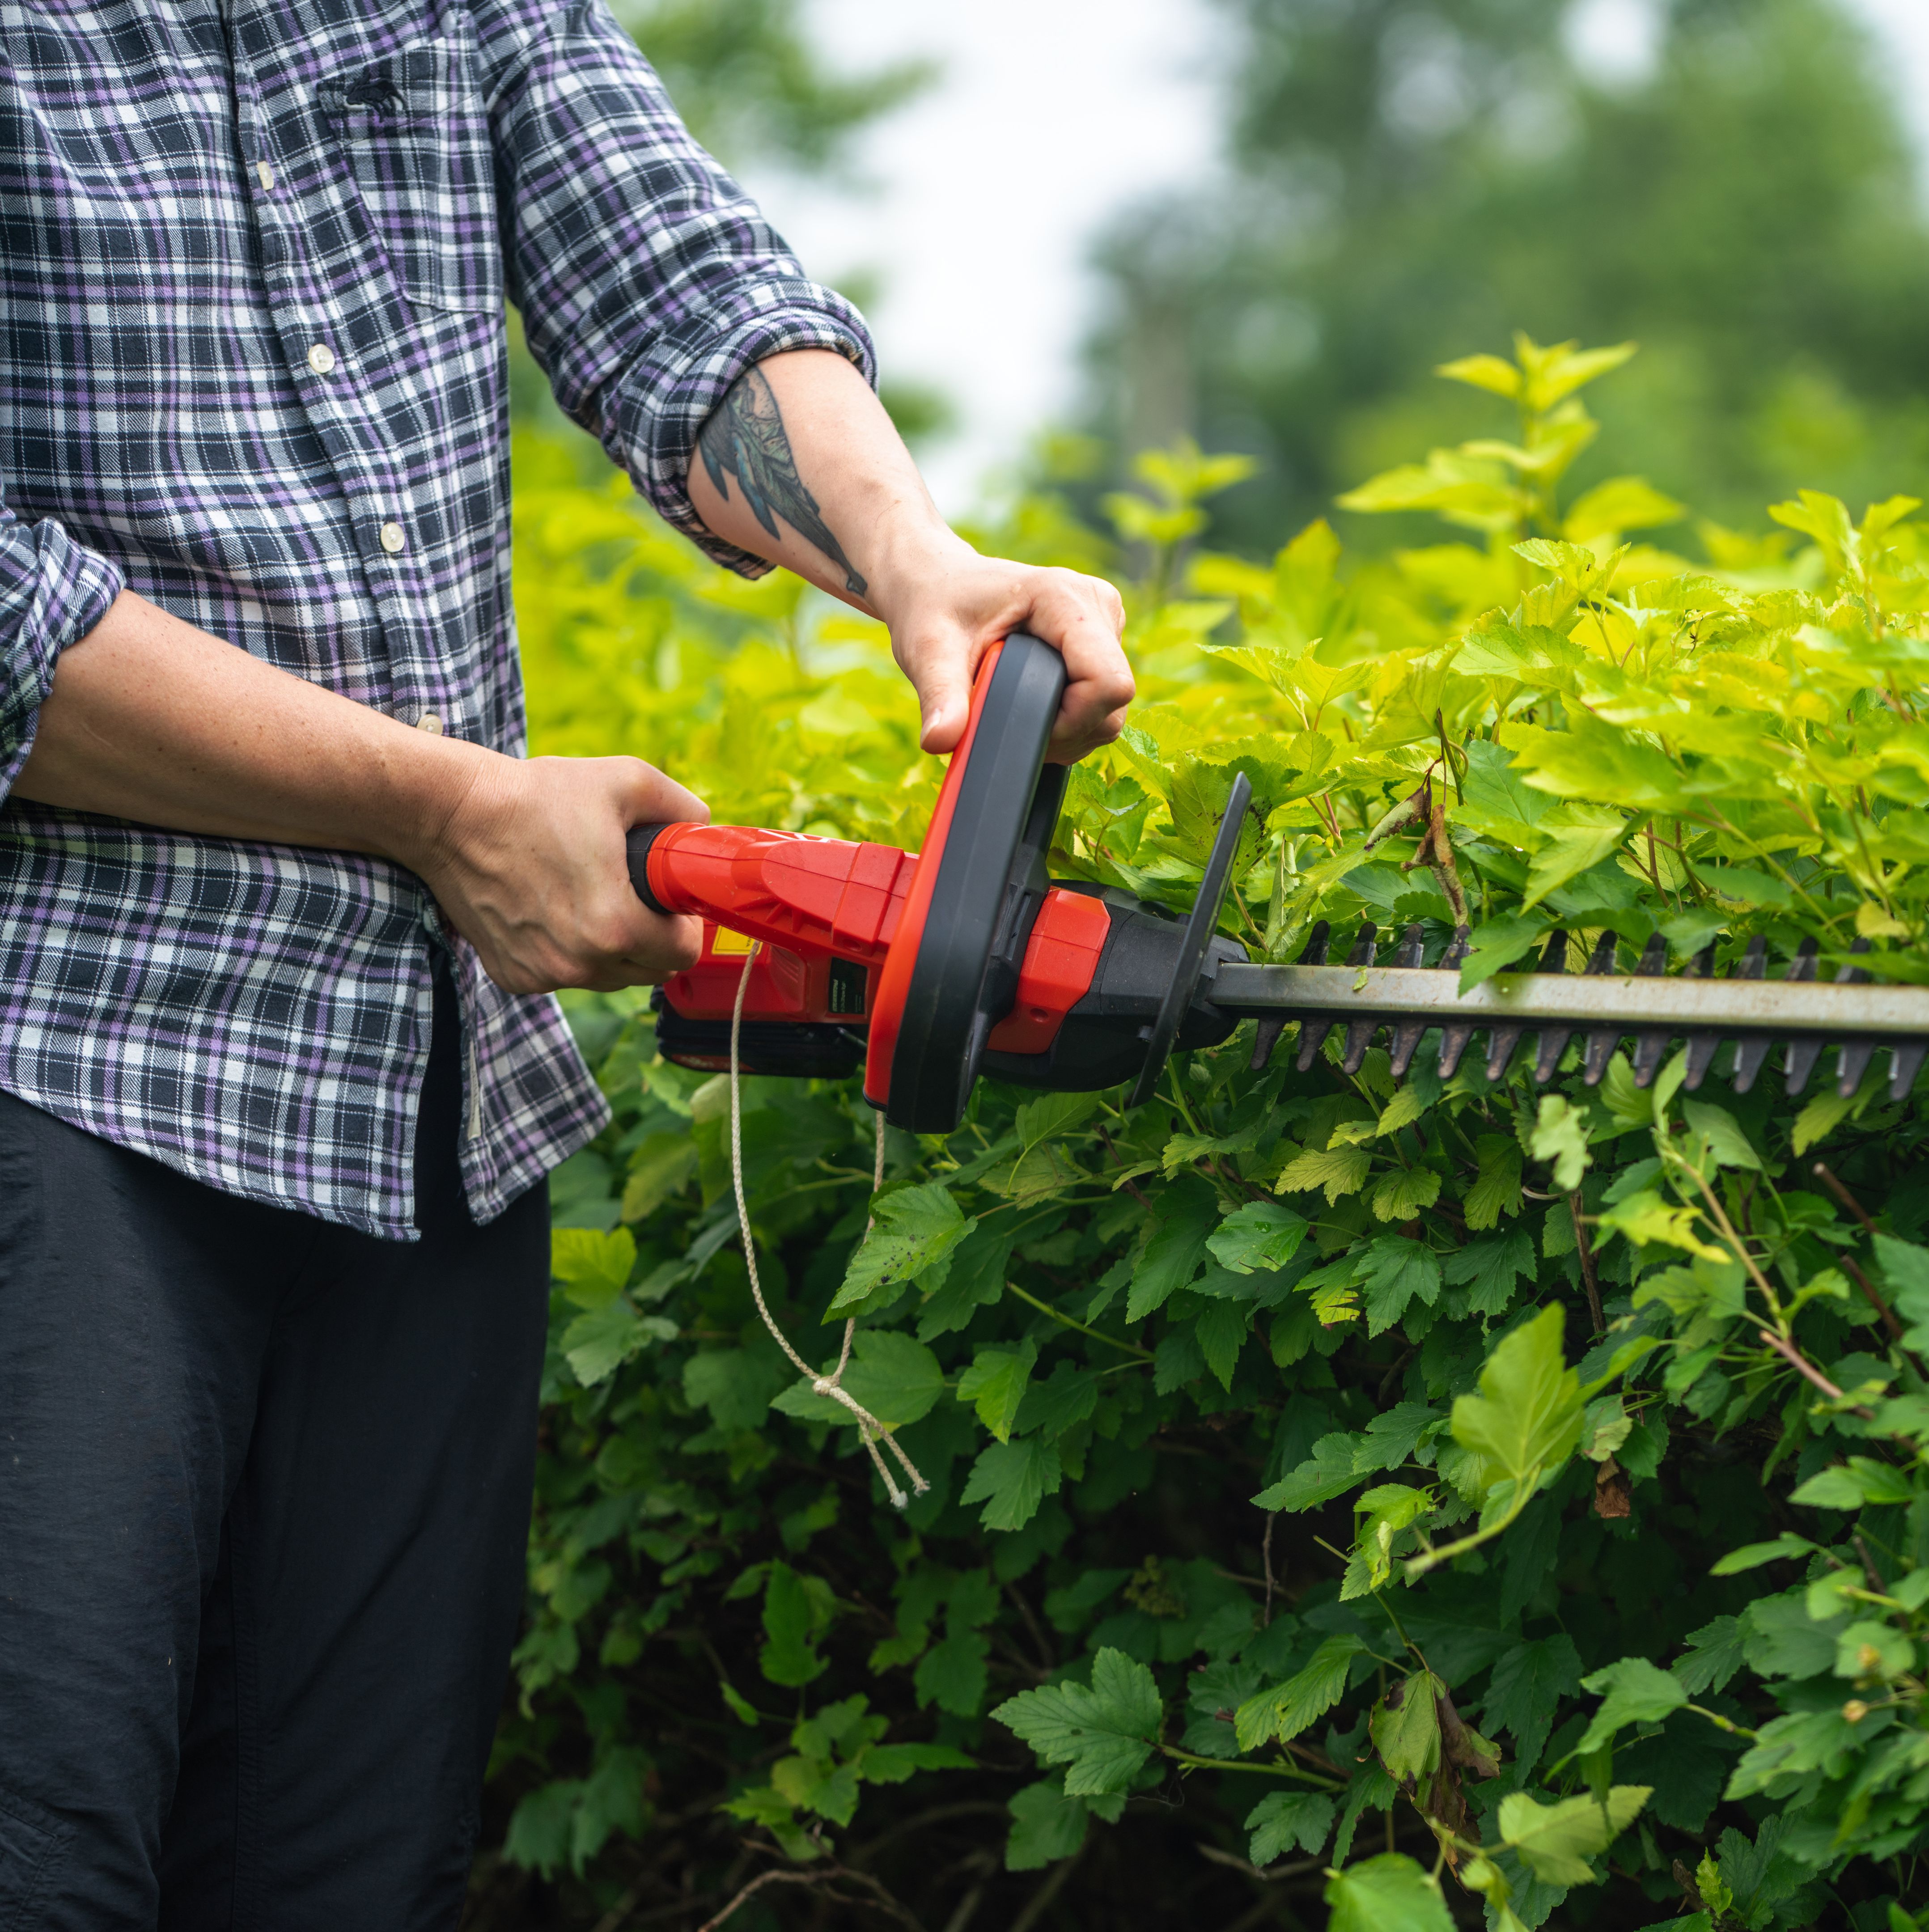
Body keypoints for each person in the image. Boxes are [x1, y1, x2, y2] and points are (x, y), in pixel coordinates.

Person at [0, 4, 1131, 1925]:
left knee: (346, 1890)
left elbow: (677, 287)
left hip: (423, 1110)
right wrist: (441, 807)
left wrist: (913, 559)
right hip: (62, 1082)